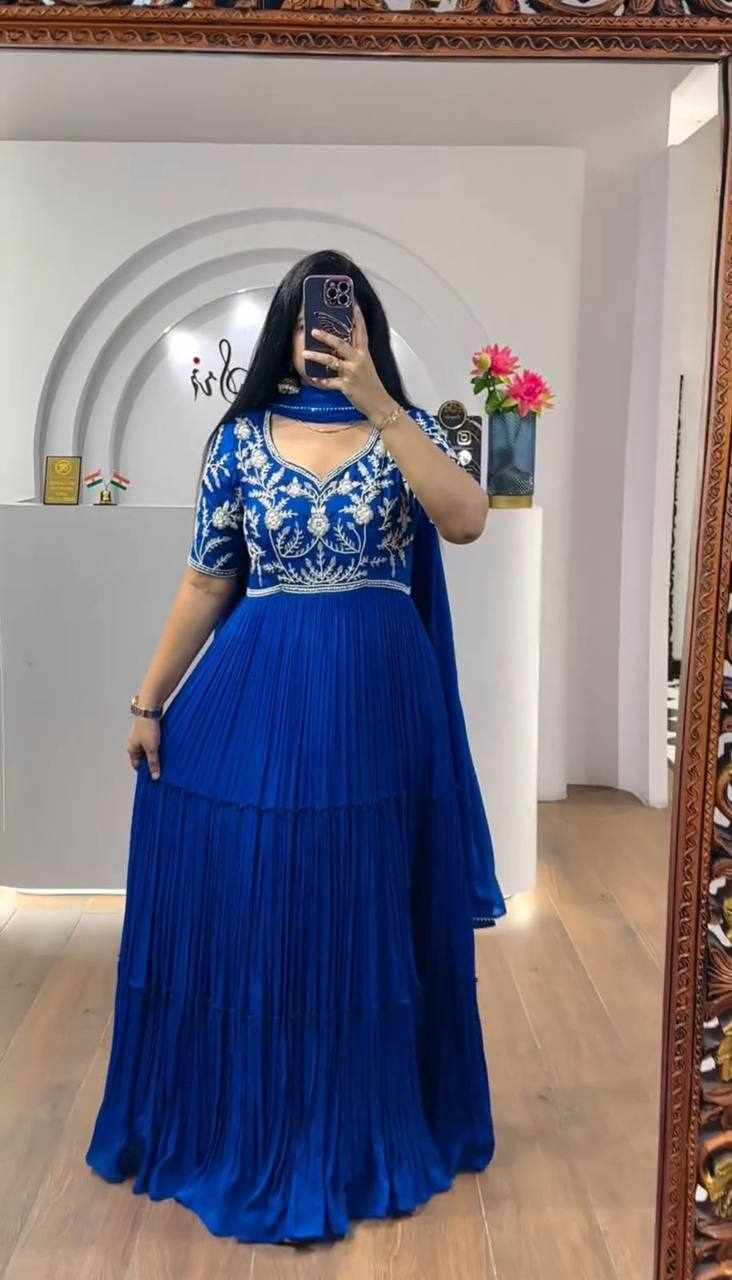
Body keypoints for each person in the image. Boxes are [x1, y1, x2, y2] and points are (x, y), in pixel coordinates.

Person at [85, 248, 507, 1246]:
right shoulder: (238, 440)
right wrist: (149, 700)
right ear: (289, 325)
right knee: (274, 897)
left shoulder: (403, 430)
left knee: (364, 901)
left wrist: (380, 401)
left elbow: (466, 519)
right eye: (317, 316)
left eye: (346, 317)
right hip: (265, 689)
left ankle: (362, 1125)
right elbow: (208, 578)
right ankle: (263, 1119)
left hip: (378, 706)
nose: (329, 332)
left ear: (366, 328)